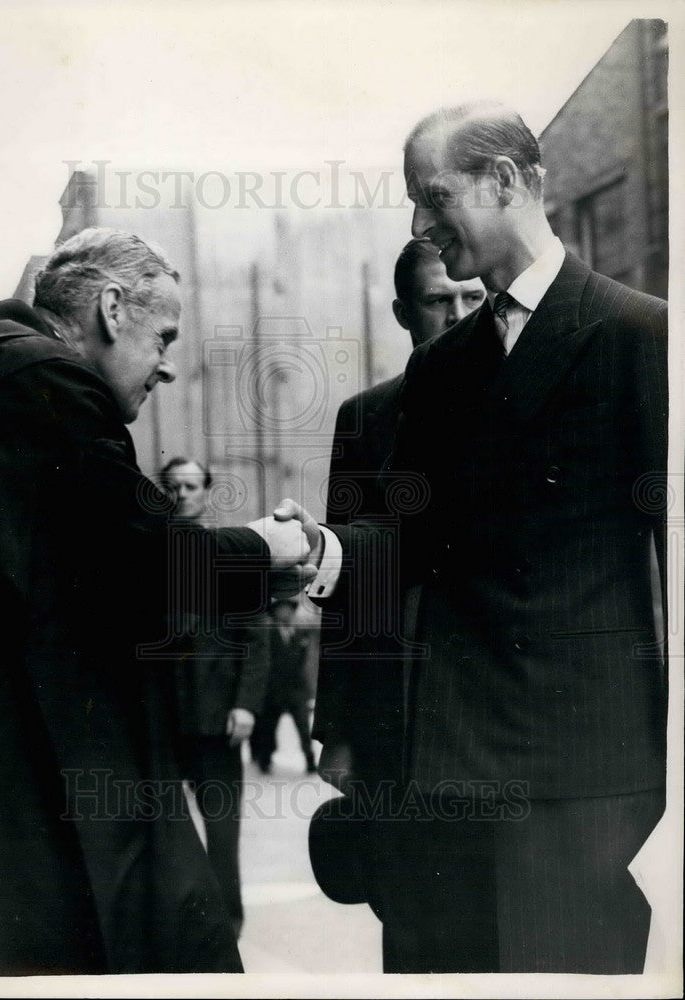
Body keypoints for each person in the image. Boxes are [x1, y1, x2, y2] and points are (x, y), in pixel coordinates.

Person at [289, 101, 668, 974]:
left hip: (586, 770)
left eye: (433, 197)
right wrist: (325, 551)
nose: (419, 224)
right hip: (450, 766)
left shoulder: (640, 334)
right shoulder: (442, 364)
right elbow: (411, 540)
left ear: (503, 182)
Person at [0, 227, 314, 976]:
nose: (168, 365)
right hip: (50, 782)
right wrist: (268, 548)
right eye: (164, 337)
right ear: (112, 308)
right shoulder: (44, 385)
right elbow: (139, 561)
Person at [314, 240, 485, 790]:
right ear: (403, 312)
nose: (459, 316)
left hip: (496, 694)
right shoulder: (365, 417)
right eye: (438, 301)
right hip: (395, 696)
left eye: (474, 297)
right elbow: (345, 586)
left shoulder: (526, 400)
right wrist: (337, 730)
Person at [158, 456, 271, 939]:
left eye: (191, 487)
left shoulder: (229, 556)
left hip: (217, 718)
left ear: (206, 492)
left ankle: (228, 921)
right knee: (165, 830)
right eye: (173, 487)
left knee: (222, 829)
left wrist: (245, 705)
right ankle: (181, 923)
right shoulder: (150, 556)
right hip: (163, 718)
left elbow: (256, 637)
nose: (182, 495)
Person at [251, 598, 317, 775]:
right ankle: (265, 760)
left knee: (303, 727)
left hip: (296, 689)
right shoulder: (269, 634)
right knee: (269, 728)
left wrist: (308, 690)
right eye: (282, 609)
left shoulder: (300, 633)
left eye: (288, 609)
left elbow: (306, 663)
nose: (286, 613)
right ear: (275, 612)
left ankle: (310, 761)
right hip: (274, 690)